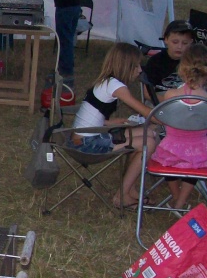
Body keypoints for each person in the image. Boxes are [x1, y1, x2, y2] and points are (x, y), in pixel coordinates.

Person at [68, 42, 158, 209]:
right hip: (87, 144)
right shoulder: (117, 86)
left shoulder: (107, 81)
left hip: (84, 137)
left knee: (149, 133)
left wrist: (111, 122)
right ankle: (122, 195)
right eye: (136, 66)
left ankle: (129, 189)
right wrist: (167, 117)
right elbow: (146, 112)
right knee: (149, 142)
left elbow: (91, 112)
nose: (140, 70)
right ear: (125, 65)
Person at [151, 43, 207, 209]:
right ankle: (181, 200)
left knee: (167, 164)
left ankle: (176, 197)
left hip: (170, 148)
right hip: (200, 149)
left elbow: (164, 119)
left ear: (182, 68)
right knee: (195, 165)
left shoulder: (171, 95)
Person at [142, 20, 196, 103]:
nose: (179, 46)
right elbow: (147, 93)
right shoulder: (156, 61)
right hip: (159, 100)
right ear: (166, 39)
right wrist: (172, 104)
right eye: (175, 42)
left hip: (187, 99)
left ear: (191, 43)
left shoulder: (194, 61)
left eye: (185, 43)